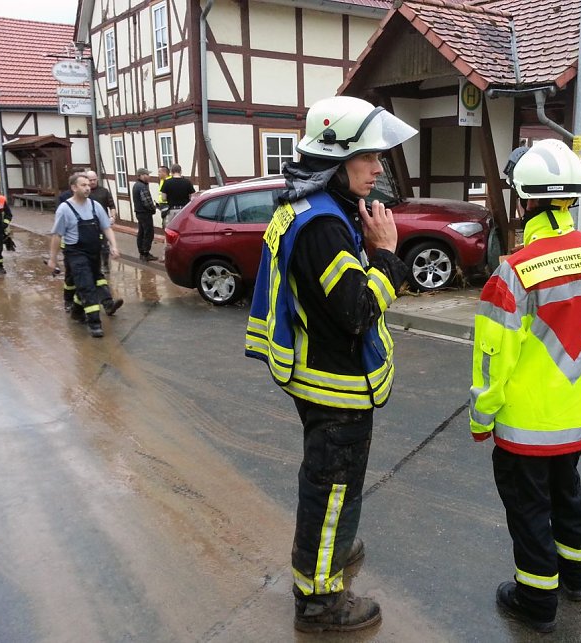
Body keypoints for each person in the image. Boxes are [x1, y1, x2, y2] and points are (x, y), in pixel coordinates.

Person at [244, 96, 417, 633]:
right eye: (368, 156)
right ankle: (319, 601)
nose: (378, 167)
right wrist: (387, 254)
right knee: (331, 489)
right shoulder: (323, 224)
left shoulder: (308, 204)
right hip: (334, 387)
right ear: (335, 157)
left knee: (328, 484)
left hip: (315, 375)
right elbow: (358, 312)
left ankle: (334, 543)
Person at [469, 140, 581, 633]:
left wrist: (481, 417)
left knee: (530, 508)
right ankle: (576, 577)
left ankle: (536, 602)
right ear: (571, 200)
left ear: (524, 200)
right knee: (568, 491)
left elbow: (493, 360)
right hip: (580, 416)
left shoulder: (513, 273)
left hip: (526, 427)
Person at [48, 173, 124, 338]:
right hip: (75, 253)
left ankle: (76, 311)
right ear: (74, 188)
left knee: (94, 280)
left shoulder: (96, 206)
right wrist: (53, 259)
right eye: (83, 185)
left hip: (94, 252)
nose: (88, 187)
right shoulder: (65, 209)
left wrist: (114, 246)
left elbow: (106, 227)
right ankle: (95, 323)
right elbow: (56, 236)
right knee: (87, 286)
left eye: (88, 184)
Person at [85, 170, 117, 271]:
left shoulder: (104, 191)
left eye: (94, 180)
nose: (93, 182)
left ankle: (105, 264)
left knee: (104, 245)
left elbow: (112, 205)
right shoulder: (85, 192)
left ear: (97, 179)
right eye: (90, 180)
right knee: (91, 245)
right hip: (88, 223)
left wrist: (112, 217)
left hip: (102, 223)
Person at [131, 168, 158, 261]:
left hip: (139, 213)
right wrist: (153, 208)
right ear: (141, 175)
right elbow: (147, 202)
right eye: (147, 174)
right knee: (148, 233)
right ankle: (146, 253)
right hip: (145, 213)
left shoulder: (136, 186)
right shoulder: (142, 187)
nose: (149, 176)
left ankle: (141, 251)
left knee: (141, 232)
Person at [159, 163, 195, 227]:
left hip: (172, 210)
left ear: (171, 172)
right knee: (184, 228)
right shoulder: (187, 182)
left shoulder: (167, 182)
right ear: (181, 171)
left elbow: (163, 198)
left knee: (171, 230)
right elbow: (192, 197)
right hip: (184, 210)